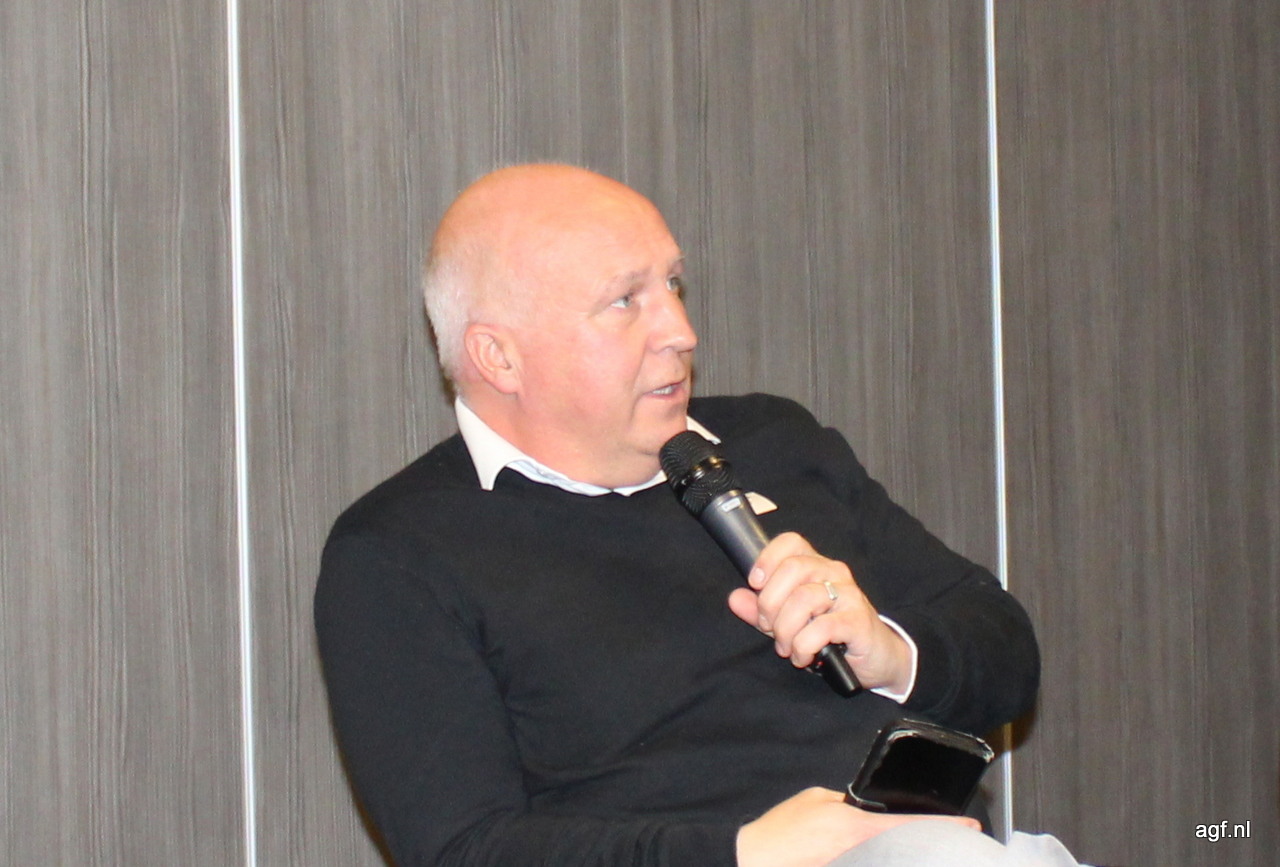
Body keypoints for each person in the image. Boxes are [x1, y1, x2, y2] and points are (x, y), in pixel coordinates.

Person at [315, 164, 1048, 866]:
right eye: (624, 301)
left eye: (672, 283)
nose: (681, 331)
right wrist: (739, 855)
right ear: (499, 357)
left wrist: (889, 651)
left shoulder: (776, 441)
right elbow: (463, 850)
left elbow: (1006, 649)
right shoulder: (401, 551)